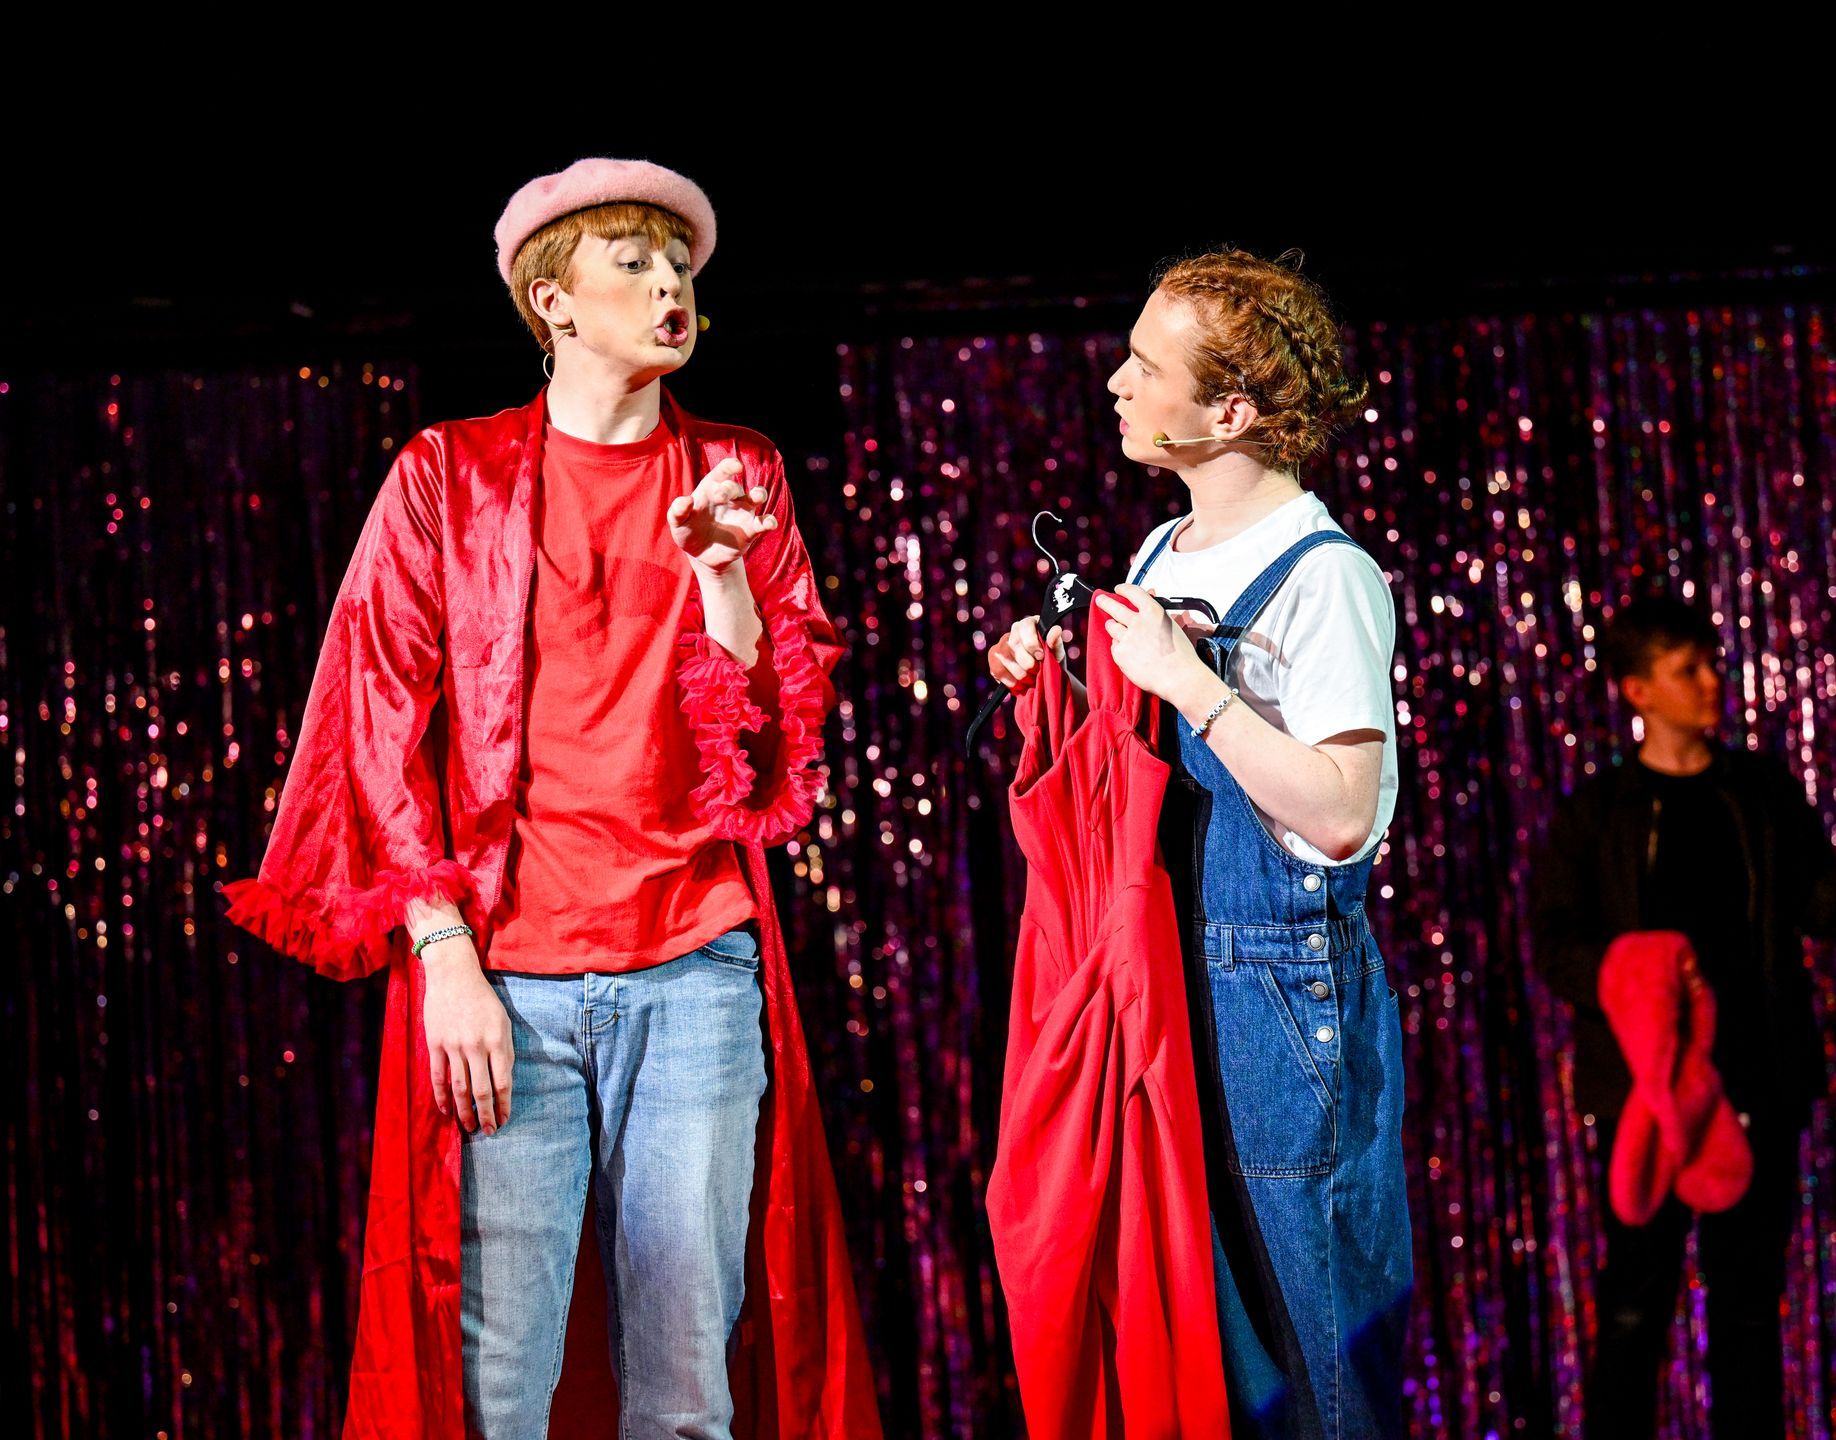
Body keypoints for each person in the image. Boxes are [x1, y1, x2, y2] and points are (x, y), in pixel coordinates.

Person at [223, 157, 879, 1440]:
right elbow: (379, 720)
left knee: (688, 1391)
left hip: (696, 970)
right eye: (633, 262)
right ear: (552, 300)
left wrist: (722, 579)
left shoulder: (738, 469)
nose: (670, 285)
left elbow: (773, 752)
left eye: (680, 264)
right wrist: (443, 954)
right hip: (506, 980)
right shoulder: (449, 474)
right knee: (497, 1391)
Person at [992, 248, 1412, 1438]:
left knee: (1313, 1370)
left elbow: (1342, 813)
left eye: (1145, 364)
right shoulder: (1159, 554)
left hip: (1276, 1000)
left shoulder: (1326, 577)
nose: (1116, 383)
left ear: (1227, 413)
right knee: (1209, 1373)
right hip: (1163, 983)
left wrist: (1192, 685)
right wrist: (1060, 671)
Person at [1532, 593, 1836, 1439]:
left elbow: (1819, 907)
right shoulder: (1598, 813)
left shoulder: (1759, 790)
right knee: (1635, 1303)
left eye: (1711, 664)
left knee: (1748, 1306)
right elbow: (1556, 947)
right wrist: (1632, 971)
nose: (1712, 681)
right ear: (1639, 690)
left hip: (1757, 1078)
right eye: (1689, 670)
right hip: (1649, 1098)